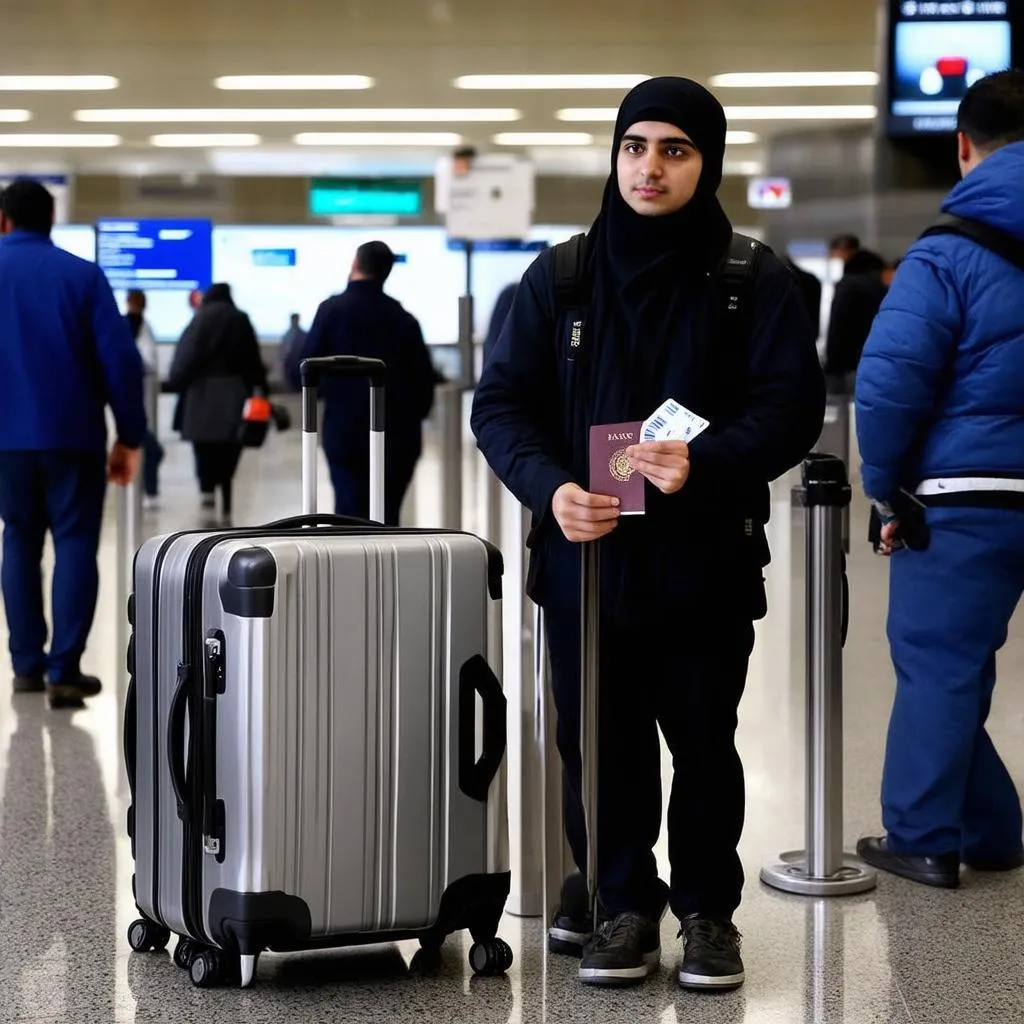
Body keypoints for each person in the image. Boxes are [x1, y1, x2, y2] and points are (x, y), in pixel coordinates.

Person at [471, 77, 824, 991]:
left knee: (705, 742)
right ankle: (619, 901)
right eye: (635, 146)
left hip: (704, 561)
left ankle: (708, 912)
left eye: (675, 149)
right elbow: (503, 404)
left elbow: (789, 408)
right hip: (587, 565)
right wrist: (549, 488)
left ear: (706, 163)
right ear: (614, 154)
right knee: (600, 742)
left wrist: (709, 465)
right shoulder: (561, 278)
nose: (650, 167)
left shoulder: (752, 280)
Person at [855, 69, 1024, 889]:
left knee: (941, 663)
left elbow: (890, 385)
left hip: (970, 496)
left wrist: (887, 488)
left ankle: (925, 835)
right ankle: (993, 831)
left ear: (964, 147)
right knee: (955, 672)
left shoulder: (948, 252)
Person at [0, 179, 145, 708]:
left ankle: (25, 667)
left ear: (4, 219)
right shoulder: (82, 276)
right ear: (52, 220)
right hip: (72, 435)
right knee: (76, 543)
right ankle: (64, 670)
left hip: (4, 440)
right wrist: (130, 436)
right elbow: (121, 363)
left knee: (18, 538)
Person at [286, 241, 437, 526]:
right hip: (398, 436)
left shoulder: (332, 311)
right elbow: (423, 386)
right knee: (386, 516)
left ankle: (350, 570)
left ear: (355, 264)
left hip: (346, 432)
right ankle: (386, 570)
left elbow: (302, 373)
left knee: (348, 514)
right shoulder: (405, 320)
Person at [168, 283, 267, 526]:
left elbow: (185, 357)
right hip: (234, 392)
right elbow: (253, 359)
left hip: (200, 395)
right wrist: (261, 390)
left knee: (203, 446)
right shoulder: (240, 319)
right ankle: (225, 482)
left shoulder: (198, 320)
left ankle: (207, 487)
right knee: (231, 442)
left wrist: (176, 382)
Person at [823, 248, 889, 393]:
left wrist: (832, 365)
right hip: (875, 361)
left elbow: (837, 327)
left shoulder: (847, 287)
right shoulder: (883, 289)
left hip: (846, 364)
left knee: (844, 407)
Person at [125, 289, 165, 508]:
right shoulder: (130, 326)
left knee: (150, 449)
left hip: (133, 402)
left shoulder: (140, 326)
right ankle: (149, 493)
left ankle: (147, 493)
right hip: (127, 405)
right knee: (152, 450)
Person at [279, 313, 307, 390]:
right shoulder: (287, 334)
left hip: (298, 359)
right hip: (289, 360)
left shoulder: (302, 334)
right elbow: (283, 348)